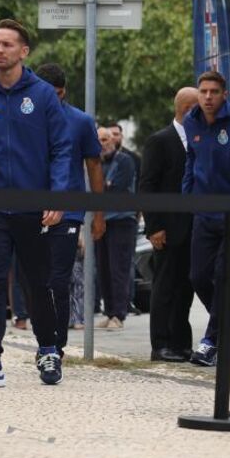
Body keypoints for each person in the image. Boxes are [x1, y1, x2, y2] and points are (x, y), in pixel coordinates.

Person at [0, 19, 71, 387]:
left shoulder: (43, 96)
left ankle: (49, 350)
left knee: (37, 282)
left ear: (24, 51)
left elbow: (61, 149)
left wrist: (57, 196)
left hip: (33, 206)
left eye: (7, 44)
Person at [183, 70, 230, 366]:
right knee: (198, 276)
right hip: (203, 213)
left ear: (224, 95)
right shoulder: (191, 122)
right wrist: (187, 195)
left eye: (214, 92)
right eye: (203, 91)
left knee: (224, 277)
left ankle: (210, 342)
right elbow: (191, 159)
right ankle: (223, 318)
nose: (208, 97)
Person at [35, 64, 106, 353]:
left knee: (58, 279)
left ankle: (56, 346)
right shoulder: (26, 118)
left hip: (68, 212)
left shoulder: (80, 121)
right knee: (36, 280)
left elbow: (94, 166)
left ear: (63, 92)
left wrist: (99, 214)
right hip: (30, 210)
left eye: (55, 94)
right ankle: (44, 339)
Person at [139, 86, 198, 362]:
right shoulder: (160, 141)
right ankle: (160, 344)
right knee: (164, 287)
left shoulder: (199, 139)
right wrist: (154, 227)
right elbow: (147, 186)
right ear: (187, 109)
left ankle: (181, 342)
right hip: (168, 228)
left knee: (185, 289)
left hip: (193, 227)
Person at [95, 126, 137, 330]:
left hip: (121, 221)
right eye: (99, 141)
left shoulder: (124, 161)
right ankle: (110, 311)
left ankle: (119, 314)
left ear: (113, 141)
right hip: (102, 221)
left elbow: (114, 189)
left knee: (118, 269)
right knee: (103, 269)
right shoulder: (97, 164)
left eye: (105, 140)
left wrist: (102, 186)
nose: (102, 144)